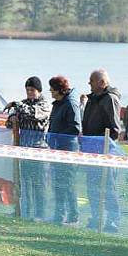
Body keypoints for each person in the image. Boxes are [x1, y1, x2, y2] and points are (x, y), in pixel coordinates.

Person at [82, 68, 122, 232]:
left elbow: (115, 129)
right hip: (90, 152)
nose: (89, 84)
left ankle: (113, 221)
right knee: (92, 188)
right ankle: (96, 217)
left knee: (108, 189)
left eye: (92, 81)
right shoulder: (92, 99)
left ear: (101, 82)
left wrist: (102, 146)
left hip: (104, 152)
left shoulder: (109, 99)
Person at [4, 76, 50, 220]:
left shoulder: (45, 105)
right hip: (23, 149)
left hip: (39, 150)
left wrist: (16, 105)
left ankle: (39, 215)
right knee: (24, 184)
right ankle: (25, 212)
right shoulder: (22, 104)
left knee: (39, 185)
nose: (29, 92)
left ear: (39, 90)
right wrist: (11, 119)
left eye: (32, 90)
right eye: (27, 90)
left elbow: (33, 113)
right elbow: (9, 122)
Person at [47, 75, 82, 225]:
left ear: (60, 90)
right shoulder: (58, 104)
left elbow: (75, 127)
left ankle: (72, 214)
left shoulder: (70, 104)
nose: (51, 92)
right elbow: (52, 123)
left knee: (67, 184)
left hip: (67, 149)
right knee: (58, 184)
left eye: (53, 89)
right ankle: (59, 214)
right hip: (56, 149)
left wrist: (58, 137)